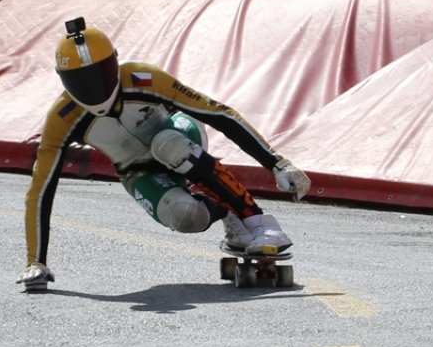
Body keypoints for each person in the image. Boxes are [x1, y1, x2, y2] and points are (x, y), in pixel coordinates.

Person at [16, 17, 310, 292]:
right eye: (81, 81)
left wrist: (277, 162)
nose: (94, 89)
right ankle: (225, 211)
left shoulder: (144, 78)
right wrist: (35, 261)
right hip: (137, 171)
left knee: (168, 144)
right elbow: (41, 189)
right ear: (64, 81)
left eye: (100, 75)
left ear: (115, 63)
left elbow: (217, 113)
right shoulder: (63, 118)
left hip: (179, 134)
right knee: (185, 217)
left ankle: (258, 221)